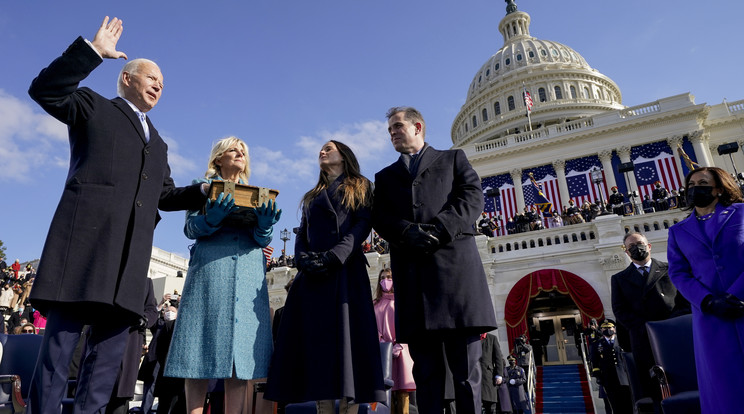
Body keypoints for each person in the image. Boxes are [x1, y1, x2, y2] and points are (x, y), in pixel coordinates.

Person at [26, 17, 208, 414]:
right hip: (85, 250)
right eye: (152, 77)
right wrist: (92, 52)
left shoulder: (158, 142)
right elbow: (45, 89)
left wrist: (203, 191)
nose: (160, 85)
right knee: (59, 354)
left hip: (128, 264)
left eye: (163, 82)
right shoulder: (93, 105)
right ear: (126, 77)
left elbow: (164, 195)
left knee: (105, 366)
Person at [372, 107, 497, 413]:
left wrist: (440, 229)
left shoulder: (453, 160)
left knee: (467, 375)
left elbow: (471, 197)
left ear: (418, 127)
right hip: (415, 284)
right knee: (426, 376)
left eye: (397, 126)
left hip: (456, 281)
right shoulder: (385, 177)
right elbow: (380, 217)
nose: (392, 133)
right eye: (389, 130)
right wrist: (407, 232)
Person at [265, 140, 385, 412]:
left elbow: (362, 225)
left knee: (348, 348)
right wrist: (303, 260)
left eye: (328, 148)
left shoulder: (361, 185)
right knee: (316, 348)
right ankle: (322, 407)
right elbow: (302, 232)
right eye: (321, 149)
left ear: (343, 155)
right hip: (313, 279)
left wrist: (335, 255)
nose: (322, 152)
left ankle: (349, 408)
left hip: (345, 274)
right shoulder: (312, 195)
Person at [164, 136, 280, 414]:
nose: (240, 154)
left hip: (249, 272)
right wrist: (211, 219)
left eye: (243, 151)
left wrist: (265, 225)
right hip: (211, 272)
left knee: (238, 358)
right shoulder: (200, 187)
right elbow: (191, 229)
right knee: (198, 346)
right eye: (233, 149)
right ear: (218, 158)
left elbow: (263, 238)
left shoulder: (256, 193)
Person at [666, 166, 744, 413]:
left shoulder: (741, 213)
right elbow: (678, 273)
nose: (694, 188)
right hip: (711, 317)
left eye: (701, 183)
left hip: (742, 303)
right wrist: (707, 301)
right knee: (723, 384)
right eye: (690, 185)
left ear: (718, 189)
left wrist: (737, 293)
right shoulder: (677, 231)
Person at [610, 232, 689, 400]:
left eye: (639, 243)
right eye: (631, 246)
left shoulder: (670, 269)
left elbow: (684, 301)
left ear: (649, 246)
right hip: (644, 340)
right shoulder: (619, 279)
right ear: (627, 252)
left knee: (684, 384)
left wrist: (669, 325)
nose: (636, 248)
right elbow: (619, 310)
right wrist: (646, 327)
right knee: (654, 390)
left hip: (675, 336)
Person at [373, 268, 416, 414]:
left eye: (389, 277)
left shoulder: (401, 302)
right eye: (383, 277)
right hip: (383, 354)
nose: (386, 280)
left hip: (402, 351)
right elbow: (373, 327)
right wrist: (383, 344)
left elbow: (407, 323)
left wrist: (400, 343)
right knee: (386, 393)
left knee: (403, 393)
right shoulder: (375, 304)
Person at [590, 321, 632, 414]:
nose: (608, 330)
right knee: (613, 403)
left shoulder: (622, 341)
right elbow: (595, 361)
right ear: (601, 330)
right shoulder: (597, 344)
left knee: (628, 402)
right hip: (608, 378)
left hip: (624, 377)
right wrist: (598, 375)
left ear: (614, 329)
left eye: (610, 328)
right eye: (605, 328)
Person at [479, 333, 508, 414]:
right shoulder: (472, 338)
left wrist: (499, 375)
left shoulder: (492, 338)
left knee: (490, 405)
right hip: (475, 376)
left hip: (488, 377)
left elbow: (498, 358)